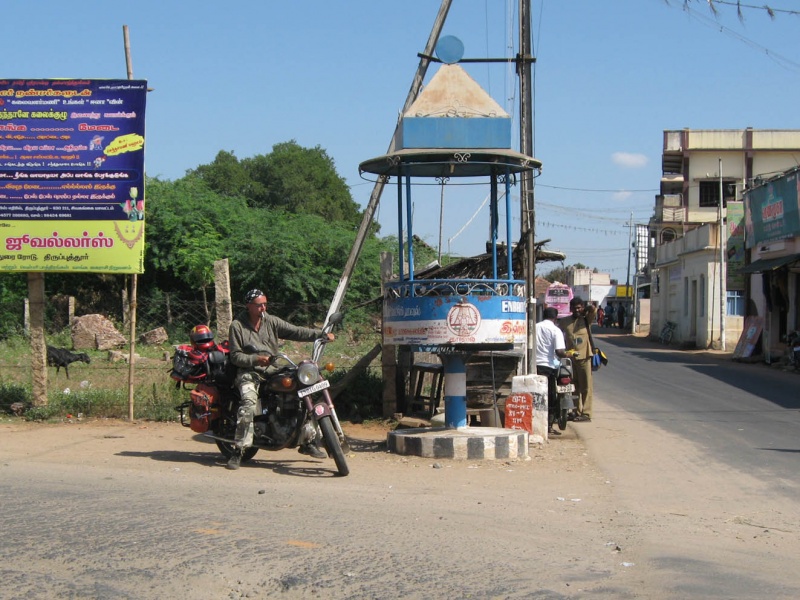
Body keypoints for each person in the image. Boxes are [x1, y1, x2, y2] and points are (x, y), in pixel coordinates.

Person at [226, 289, 335, 470]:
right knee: (248, 404)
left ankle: (306, 441)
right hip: (249, 372)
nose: (263, 308)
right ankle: (238, 450)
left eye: (265, 304)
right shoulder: (237, 326)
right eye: (259, 305)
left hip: (273, 370)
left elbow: (295, 331)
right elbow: (235, 356)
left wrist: (320, 335)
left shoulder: (271, 321)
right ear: (248, 306)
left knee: (302, 391)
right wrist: (256, 359)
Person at [559, 296, 596, 422]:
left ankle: (586, 413)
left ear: (582, 308)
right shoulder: (565, 321)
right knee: (574, 387)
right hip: (570, 359)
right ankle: (575, 411)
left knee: (586, 386)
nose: (577, 310)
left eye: (579, 308)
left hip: (584, 357)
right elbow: (557, 332)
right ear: (570, 309)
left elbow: (593, 310)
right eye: (574, 308)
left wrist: (587, 309)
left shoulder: (586, 319)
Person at [536, 307, 568, 435]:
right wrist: (569, 354)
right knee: (550, 397)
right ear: (555, 318)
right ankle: (548, 426)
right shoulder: (556, 330)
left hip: (534, 365)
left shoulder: (535, 327)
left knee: (536, 394)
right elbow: (559, 352)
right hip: (548, 366)